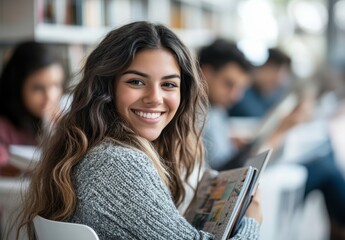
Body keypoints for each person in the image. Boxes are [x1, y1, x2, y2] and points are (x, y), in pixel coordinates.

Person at [17, 22, 262, 240]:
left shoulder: (98, 149)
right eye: (136, 82)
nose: (155, 98)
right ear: (107, 88)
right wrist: (251, 221)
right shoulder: (117, 163)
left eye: (168, 84)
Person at [0, 41, 65, 177]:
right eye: (38, 88)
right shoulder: (3, 126)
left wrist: (58, 134)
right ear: (17, 87)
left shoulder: (59, 120)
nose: (50, 97)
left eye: (56, 85)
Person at [198, 39, 252, 170]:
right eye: (229, 84)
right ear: (206, 73)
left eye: (240, 88)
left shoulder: (215, 107)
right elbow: (222, 173)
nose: (235, 96)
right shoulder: (193, 114)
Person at [228, 48, 292, 117]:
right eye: (273, 81)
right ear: (268, 68)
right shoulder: (241, 88)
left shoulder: (262, 95)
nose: (273, 88)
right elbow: (255, 116)